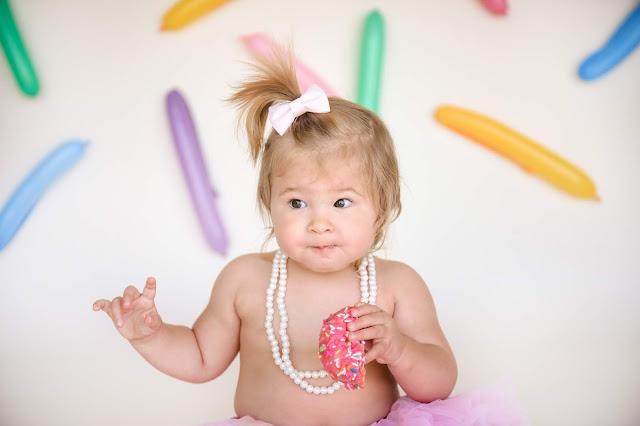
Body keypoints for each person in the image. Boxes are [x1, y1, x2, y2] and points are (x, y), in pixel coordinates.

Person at [93, 53, 526, 425]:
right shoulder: (245, 280)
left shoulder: (397, 285)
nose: (319, 223)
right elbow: (202, 358)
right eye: (298, 203)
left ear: (382, 206)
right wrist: (150, 335)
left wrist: (400, 348)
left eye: (342, 203)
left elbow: (439, 383)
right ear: (269, 204)